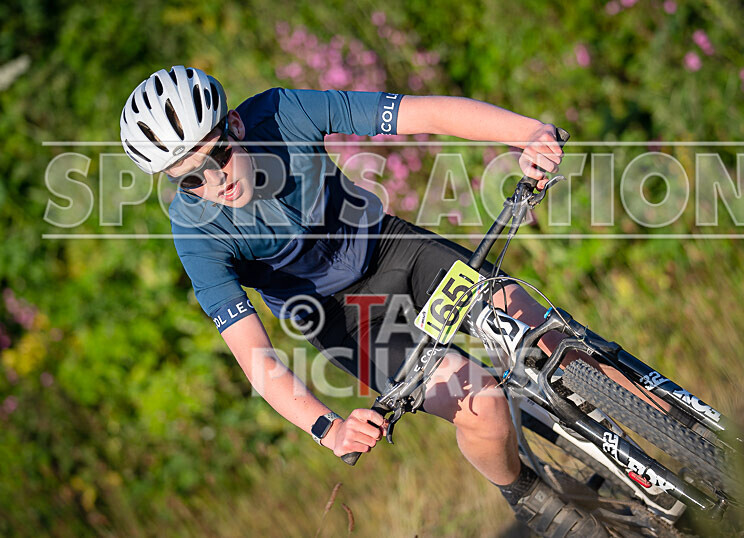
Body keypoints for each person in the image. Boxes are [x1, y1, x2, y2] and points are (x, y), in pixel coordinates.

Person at [120, 65, 607, 537]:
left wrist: (528, 133)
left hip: (391, 249)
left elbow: (424, 114)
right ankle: (526, 493)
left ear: (237, 124)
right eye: (191, 179)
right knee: (481, 403)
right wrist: (326, 428)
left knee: (533, 322)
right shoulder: (196, 233)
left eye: (219, 154)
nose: (214, 182)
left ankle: (666, 416)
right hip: (344, 319)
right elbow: (254, 357)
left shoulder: (282, 113)